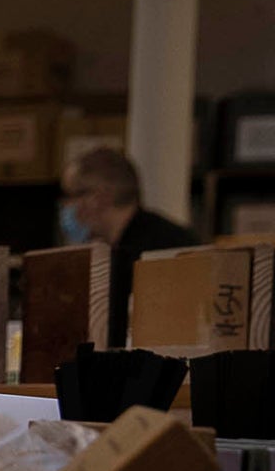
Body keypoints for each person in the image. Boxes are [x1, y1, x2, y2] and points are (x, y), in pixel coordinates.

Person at [62, 145, 201, 347]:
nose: (68, 206)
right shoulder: (124, 244)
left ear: (100, 197)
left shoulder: (157, 249)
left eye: (73, 195)